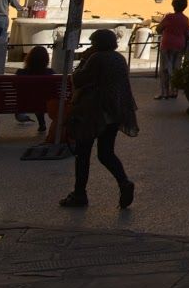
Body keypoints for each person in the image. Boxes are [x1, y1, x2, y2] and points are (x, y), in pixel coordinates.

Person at [60, 29, 136, 209]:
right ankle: (123, 182)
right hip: (114, 112)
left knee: (83, 153)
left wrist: (84, 60)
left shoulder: (97, 59)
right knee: (106, 152)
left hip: (93, 113)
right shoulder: (119, 58)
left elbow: (78, 80)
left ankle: (79, 193)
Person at [155, 0, 189, 101]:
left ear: (173, 5)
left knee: (165, 69)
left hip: (167, 45)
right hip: (180, 45)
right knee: (176, 68)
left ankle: (164, 93)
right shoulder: (186, 18)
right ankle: (174, 91)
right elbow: (187, 32)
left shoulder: (169, 17)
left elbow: (159, 29)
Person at [15, 45, 54, 132]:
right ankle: (41, 122)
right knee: (39, 98)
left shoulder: (21, 73)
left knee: (33, 97)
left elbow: (16, 89)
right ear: (46, 59)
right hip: (45, 104)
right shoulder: (51, 73)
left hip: (24, 104)